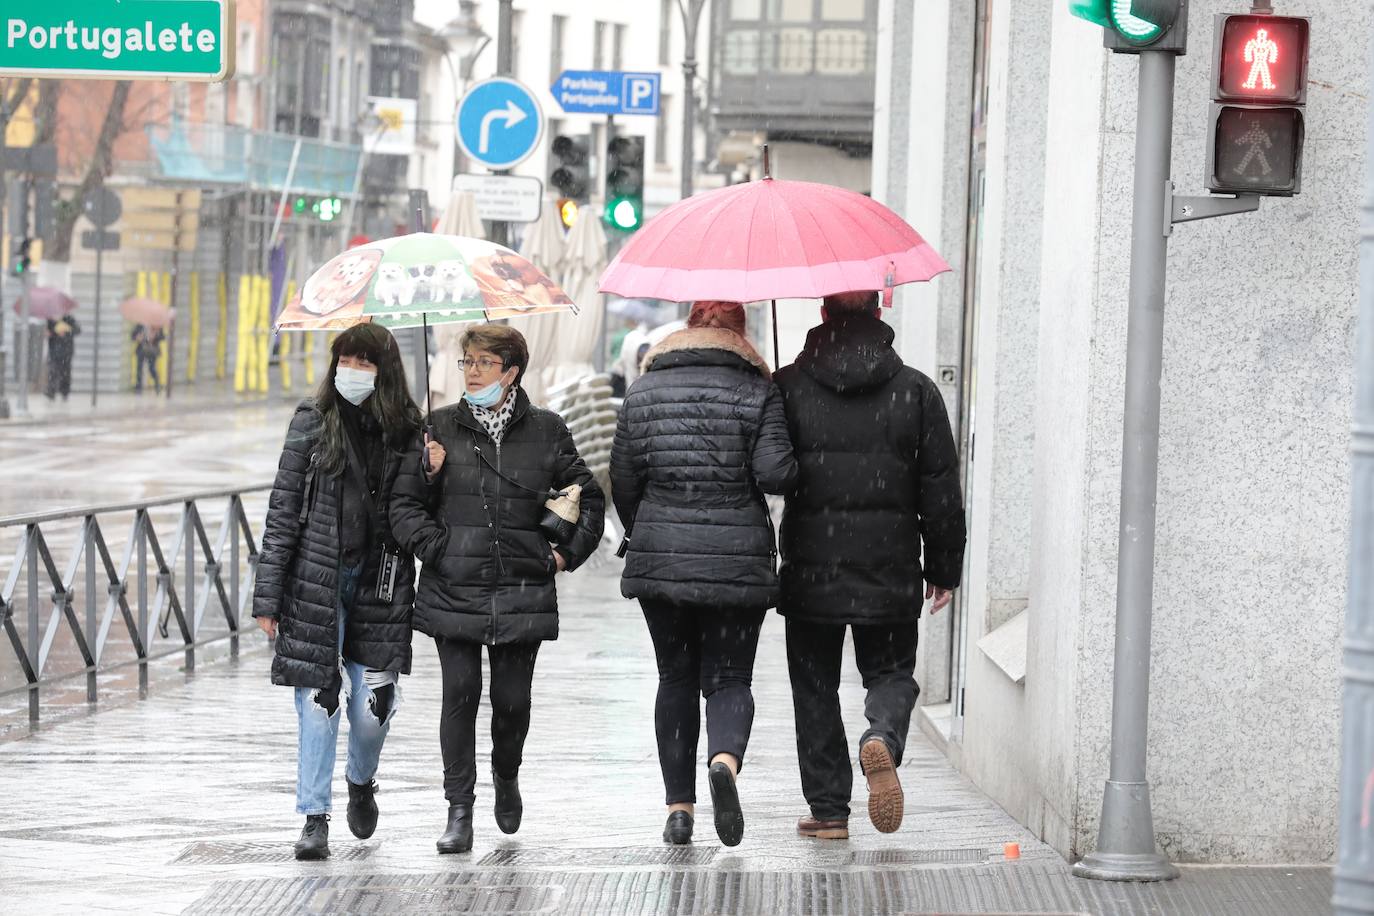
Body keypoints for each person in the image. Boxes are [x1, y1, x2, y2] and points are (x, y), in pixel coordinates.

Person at [389, 324, 605, 855]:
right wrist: (438, 544)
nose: (472, 372)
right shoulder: (437, 427)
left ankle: (506, 775)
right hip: (453, 588)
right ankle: (459, 809)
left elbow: (589, 497)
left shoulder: (547, 430)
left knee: (512, 703)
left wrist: (561, 556)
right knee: (459, 696)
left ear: (511, 372)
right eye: (467, 361)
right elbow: (404, 505)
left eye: (484, 363)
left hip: (521, 588)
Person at [774, 291, 966, 840]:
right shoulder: (916, 390)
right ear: (880, 314)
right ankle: (881, 734)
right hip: (890, 566)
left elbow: (771, 471)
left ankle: (829, 810)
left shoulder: (788, 386)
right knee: (890, 673)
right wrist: (943, 568)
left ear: (823, 314)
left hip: (812, 568)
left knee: (814, 687)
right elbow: (941, 489)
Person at [610, 301, 797, 848]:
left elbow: (623, 480)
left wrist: (650, 528)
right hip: (736, 560)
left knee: (674, 678)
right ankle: (724, 761)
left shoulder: (643, 390)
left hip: (661, 558)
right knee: (730, 678)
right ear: (741, 333)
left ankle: (679, 810)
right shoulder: (759, 391)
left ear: (689, 328)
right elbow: (775, 474)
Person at [252, 324, 423, 861]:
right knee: (318, 702)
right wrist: (268, 594)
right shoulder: (312, 420)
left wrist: (431, 469)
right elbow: (283, 510)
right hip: (316, 582)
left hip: (381, 586)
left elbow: (419, 510)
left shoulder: (407, 430)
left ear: (384, 371)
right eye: (345, 360)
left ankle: (361, 779)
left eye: (365, 362)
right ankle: (314, 817)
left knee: (374, 708)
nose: (353, 371)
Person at [44, 315, 80, 400]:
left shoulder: (69, 319)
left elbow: (77, 330)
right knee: (53, 371)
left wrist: (66, 332)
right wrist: (52, 333)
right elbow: (49, 332)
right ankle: (51, 391)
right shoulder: (51, 320)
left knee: (65, 372)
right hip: (54, 351)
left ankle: (64, 392)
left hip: (66, 351)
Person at [131, 324, 164, 394]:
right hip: (141, 349)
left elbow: (162, 337)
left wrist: (156, 335)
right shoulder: (140, 325)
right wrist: (137, 337)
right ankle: (138, 387)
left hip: (152, 350)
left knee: (151, 368)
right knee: (139, 368)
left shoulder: (156, 325)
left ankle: (157, 383)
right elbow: (133, 336)